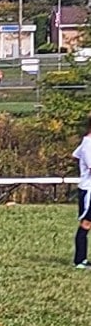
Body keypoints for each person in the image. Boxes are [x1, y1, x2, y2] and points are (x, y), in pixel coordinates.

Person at [72, 115, 91, 270]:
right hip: (89, 190)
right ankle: (80, 260)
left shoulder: (85, 143)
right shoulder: (88, 145)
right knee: (86, 223)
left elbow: (75, 155)